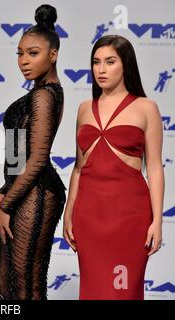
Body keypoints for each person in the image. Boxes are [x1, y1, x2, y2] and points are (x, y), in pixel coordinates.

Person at [63, 35, 164, 300]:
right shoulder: (85, 108)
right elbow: (78, 167)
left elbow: (154, 168)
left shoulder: (146, 108)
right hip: (89, 216)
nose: (101, 69)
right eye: (96, 62)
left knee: (124, 292)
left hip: (129, 217)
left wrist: (157, 221)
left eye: (110, 62)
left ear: (126, 65)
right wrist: (68, 212)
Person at [0, 4, 66, 300]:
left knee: (25, 283)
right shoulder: (34, 94)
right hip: (20, 191)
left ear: (53, 55)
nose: (24, 61)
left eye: (33, 53)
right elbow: (16, 152)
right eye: (20, 53)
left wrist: (5, 205)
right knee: (7, 280)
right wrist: (4, 190)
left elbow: (36, 159)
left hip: (37, 192)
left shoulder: (44, 96)